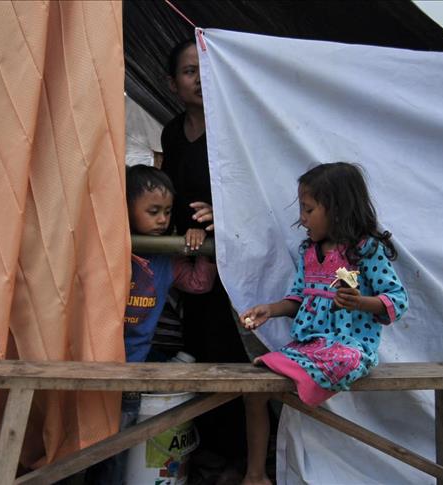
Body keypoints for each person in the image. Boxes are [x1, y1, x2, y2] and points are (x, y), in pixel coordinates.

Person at [238, 162, 409, 485]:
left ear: (338, 210)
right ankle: (255, 475)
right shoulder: (309, 251)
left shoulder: (365, 251)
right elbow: (300, 299)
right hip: (306, 347)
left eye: (309, 209)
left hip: (349, 347)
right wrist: (269, 310)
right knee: (253, 391)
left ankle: (298, 376)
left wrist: (361, 302)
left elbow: (397, 300)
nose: (302, 218)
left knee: (346, 359)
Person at [160, 38, 260, 479]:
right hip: (190, 264)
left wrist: (224, 216)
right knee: (198, 348)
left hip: (233, 263)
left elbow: (257, 190)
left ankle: (244, 457)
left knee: (233, 353)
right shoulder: (171, 133)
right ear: (172, 83)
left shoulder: (233, 128)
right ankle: (212, 451)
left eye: (204, 70)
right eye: (189, 72)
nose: (199, 80)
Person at [86, 164, 216, 484]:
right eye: (153, 211)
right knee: (84, 441)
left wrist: (204, 245)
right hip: (93, 363)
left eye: (167, 212)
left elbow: (199, 283)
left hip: (134, 367)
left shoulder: (166, 257)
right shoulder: (108, 247)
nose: (162, 220)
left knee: (119, 444)